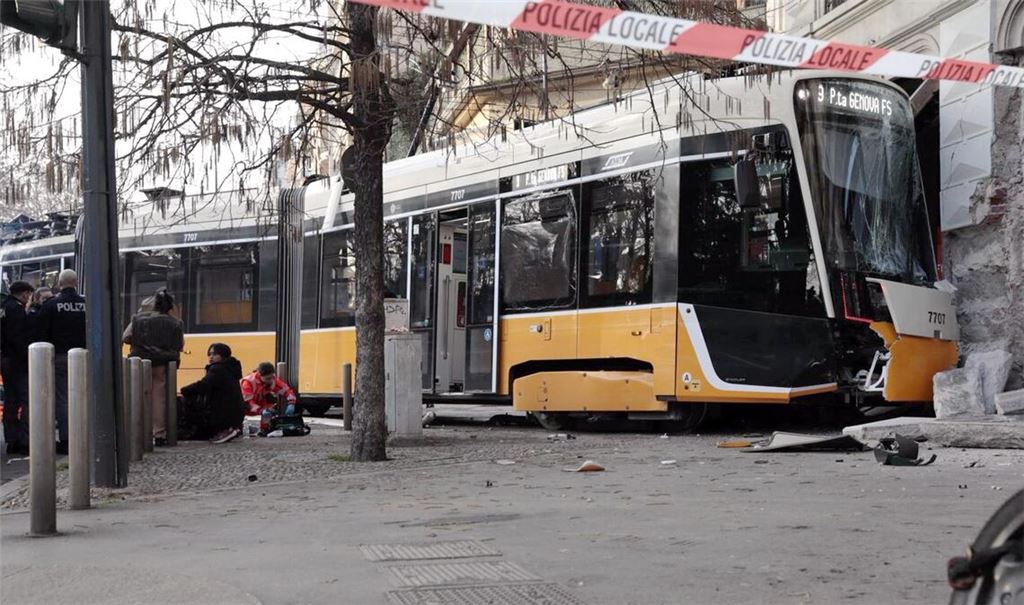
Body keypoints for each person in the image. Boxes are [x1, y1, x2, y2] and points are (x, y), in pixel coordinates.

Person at [123, 289, 184, 446]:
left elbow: (126, 337)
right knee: (159, 398)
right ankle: (159, 433)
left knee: (137, 395)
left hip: (139, 361)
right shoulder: (175, 323)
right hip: (162, 363)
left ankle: (137, 431)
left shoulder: (138, 319)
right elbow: (179, 345)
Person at [35, 270, 86, 456]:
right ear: (77, 282)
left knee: (63, 399)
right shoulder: (86, 304)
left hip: (59, 357)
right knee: (83, 397)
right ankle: (85, 436)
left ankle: (67, 440)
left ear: (59, 283)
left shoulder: (50, 305)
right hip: (84, 357)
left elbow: (41, 333)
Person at [179, 343, 244, 443]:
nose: (211, 357)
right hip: (235, 417)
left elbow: (203, 385)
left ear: (223, 355)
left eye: (214, 354)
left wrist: (184, 390)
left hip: (222, 417)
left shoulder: (218, 369)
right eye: (209, 354)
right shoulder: (231, 368)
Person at [1, 281, 35, 455]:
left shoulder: (4, 307)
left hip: (5, 360)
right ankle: (24, 440)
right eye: (29, 294)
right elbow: (19, 337)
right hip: (18, 362)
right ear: (24, 294)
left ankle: (11, 440)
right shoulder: (17, 309)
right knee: (25, 399)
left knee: (10, 401)